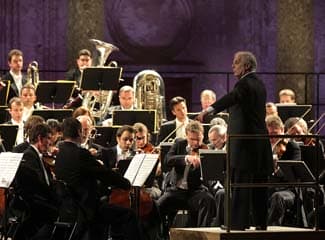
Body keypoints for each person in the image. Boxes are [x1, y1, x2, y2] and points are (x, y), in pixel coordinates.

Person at [197, 51, 273, 230]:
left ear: (246, 66)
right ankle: (261, 223)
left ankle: (238, 224)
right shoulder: (260, 83)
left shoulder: (244, 84)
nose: (233, 66)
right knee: (258, 186)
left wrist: (208, 110)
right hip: (259, 143)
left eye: (236, 62)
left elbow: (232, 97)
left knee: (240, 184)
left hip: (244, 145)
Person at [55, 118, 142, 240]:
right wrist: (126, 184)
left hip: (68, 207)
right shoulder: (81, 153)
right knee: (129, 215)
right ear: (80, 132)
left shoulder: (60, 151)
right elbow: (104, 174)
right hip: (86, 208)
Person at [157, 121, 216, 234]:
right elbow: (167, 160)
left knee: (208, 200)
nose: (196, 142)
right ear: (186, 136)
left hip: (195, 191)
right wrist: (186, 158)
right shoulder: (179, 144)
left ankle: (202, 234)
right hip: (176, 191)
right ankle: (162, 235)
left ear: (203, 135)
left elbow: (210, 174)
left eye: (198, 139)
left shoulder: (206, 149)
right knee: (159, 206)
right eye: (192, 139)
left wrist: (205, 162)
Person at [13, 123, 58, 239]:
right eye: (48, 138)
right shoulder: (29, 156)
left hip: (37, 198)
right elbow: (38, 184)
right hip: (32, 201)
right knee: (56, 212)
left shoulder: (35, 155)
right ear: (39, 138)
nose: (50, 142)